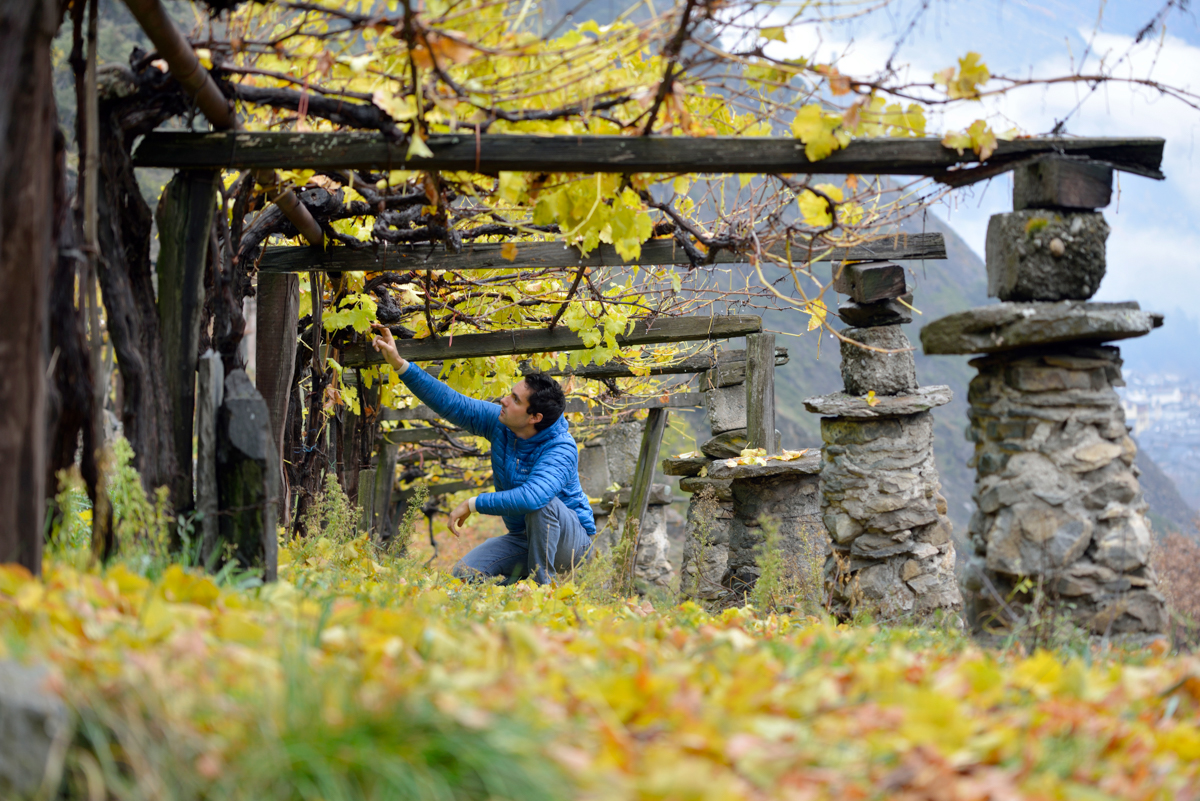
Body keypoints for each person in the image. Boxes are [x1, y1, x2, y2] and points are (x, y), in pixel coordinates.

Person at [371, 323, 595, 584]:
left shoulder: (561, 448)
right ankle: (513, 594)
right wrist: (400, 364)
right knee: (464, 574)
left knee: (542, 502)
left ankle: (543, 591)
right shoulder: (501, 424)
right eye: (510, 393)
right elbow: (453, 403)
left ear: (535, 417)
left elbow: (533, 498)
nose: (504, 400)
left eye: (515, 400)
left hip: (571, 546)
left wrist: (472, 503)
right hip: (524, 539)